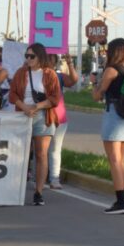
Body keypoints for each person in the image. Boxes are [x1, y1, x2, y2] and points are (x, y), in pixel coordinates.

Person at [9, 43, 61, 207]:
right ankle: (14, 189)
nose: (28, 59)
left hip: (43, 116)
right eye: (27, 56)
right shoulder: (21, 73)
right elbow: (12, 94)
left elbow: (55, 98)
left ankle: (38, 192)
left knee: (41, 154)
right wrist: (24, 107)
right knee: (19, 154)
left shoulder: (49, 74)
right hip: (23, 115)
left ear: (40, 57)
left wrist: (37, 106)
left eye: (32, 56)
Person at [92, 38, 124, 215]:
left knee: (114, 160)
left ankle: (121, 202)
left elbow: (97, 96)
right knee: (121, 160)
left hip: (114, 114)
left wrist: (94, 82)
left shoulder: (111, 70)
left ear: (113, 52)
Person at [47, 53, 78, 189]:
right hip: (41, 117)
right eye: (46, 60)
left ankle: (54, 178)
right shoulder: (34, 75)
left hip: (58, 117)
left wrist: (70, 63)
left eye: (52, 61)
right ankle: (37, 178)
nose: (49, 63)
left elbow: (73, 80)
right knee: (40, 150)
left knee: (55, 149)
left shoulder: (59, 76)